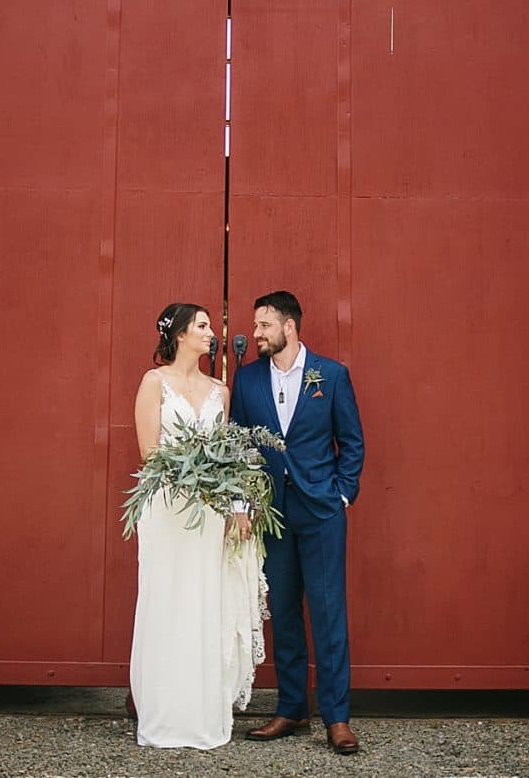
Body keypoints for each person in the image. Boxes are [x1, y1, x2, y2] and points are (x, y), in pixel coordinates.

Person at [128, 302, 270, 749]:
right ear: (180, 335)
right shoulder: (154, 384)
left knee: (204, 602)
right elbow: (149, 455)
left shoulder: (219, 391)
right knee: (167, 600)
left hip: (207, 514)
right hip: (168, 511)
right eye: (204, 326)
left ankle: (203, 712)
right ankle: (164, 714)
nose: (213, 333)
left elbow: (226, 455)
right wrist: (185, 474)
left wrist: (233, 501)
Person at [229, 290, 364, 755]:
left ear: (290, 327)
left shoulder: (331, 374)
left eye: (264, 325)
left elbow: (352, 442)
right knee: (283, 613)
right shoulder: (246, 382)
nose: (256, 333)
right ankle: (291, 709)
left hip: (322, 513)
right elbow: (240, 449)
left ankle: (337, 718)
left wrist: (342, 494)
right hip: (273, 515)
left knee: (329, 615)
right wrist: (245, 506)